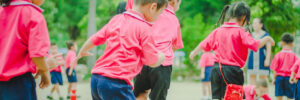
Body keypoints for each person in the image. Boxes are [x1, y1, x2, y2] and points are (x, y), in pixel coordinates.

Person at [73, 0, 167, 99]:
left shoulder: (117, 19)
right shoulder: (145, 28)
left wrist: (83, 50)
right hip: (116, 84)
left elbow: (97, 37)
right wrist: (161, 57)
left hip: (96, 79)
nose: (158, 18)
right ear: (153, 7)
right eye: (160, 13)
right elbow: (151, 61)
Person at [189, 2, 275, 99]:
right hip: (232, 71)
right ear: (244, 17)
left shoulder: (218, 30)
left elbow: (204, 43)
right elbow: (255, 44)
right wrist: (267, 38)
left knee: (217, 98)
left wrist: (194, 52)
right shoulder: (241, 32)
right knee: (234, 97)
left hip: (216, 70)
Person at [126, 0, 183, 99]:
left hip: (143, 61)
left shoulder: (147, 11)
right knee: (158, 97)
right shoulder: (173, 19)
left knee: (140, 93)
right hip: (162, 65)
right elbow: (176, 46)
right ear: (174, 2)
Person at [0, 0, 51, 99]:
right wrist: (45, 71)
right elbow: (37, 55)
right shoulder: (33, 15)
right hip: (18, 84)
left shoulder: (2, 11)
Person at [270, 33, 298, 100]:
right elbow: (296, 69)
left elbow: (274, 69)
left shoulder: (278, 55)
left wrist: (274, 78)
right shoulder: (294, 56)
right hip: (290, 78)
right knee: (290, 97)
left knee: (279, 96)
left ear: (282, 43)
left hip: (279, 78)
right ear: (292, 44)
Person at [247, 18, 272, 85]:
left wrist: (267, 60)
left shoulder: (266, 35)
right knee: (252, 77)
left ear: (261, 25)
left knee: (263, 78)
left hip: (262, 58)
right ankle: (253, 94)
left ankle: (264, 94)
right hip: (252, 58)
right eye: (253, 23)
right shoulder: (251, 35)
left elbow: (269, 49)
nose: (254, 25)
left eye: (255, 23)